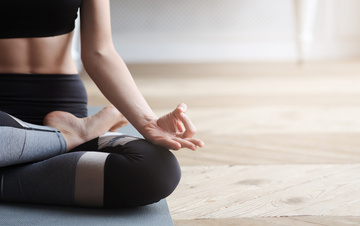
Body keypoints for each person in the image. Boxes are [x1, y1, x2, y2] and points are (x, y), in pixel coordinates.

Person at [0, 0, 204, 208]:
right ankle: (70, 136)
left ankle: (65, 137)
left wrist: (147, 122)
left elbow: (100, 52)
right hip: (4, 119)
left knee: (157, 171)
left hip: (64, 111)